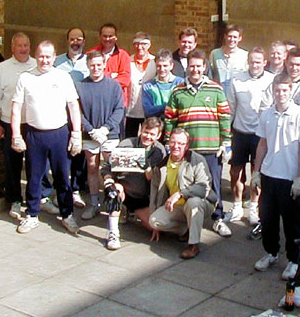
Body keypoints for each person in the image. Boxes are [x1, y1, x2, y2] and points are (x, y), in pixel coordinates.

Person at [10, 41, 82, 234]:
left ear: (54, 57)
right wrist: (16, 135)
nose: (44, 60)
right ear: (36, 55)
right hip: (34, 134)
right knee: (34, 176)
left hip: (59, 134)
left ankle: (67, 215)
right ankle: (32, 214)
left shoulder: (63, 77)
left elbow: (73, 106)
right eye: (41, 56)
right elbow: (16, 108)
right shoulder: (25, 78)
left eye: (48, 56)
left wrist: (77, 134)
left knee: (62, 176)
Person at [252, 73, 300, 280]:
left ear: (290, 91)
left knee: (292, 223)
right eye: (277, 90)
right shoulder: (267, 115)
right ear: (273, 91)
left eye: (285, 90)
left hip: (290, 178)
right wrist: (256, 172)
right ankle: (271, 253)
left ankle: (294, 260)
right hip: (269, 175)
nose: (281, 94)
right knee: (267, 219)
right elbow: (262, 144)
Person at [164, 49, 232, 237]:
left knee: (215, 185)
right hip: (188, 150)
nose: (195, 70)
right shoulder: (178, 91)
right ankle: (189, 221)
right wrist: (168, 142)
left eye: (198, 66)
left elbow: (224, 116)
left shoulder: (216, 89)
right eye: (192, 66)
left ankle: (218, 218)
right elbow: (170, 118)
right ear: (187, 67)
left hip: (211, 148)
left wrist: (226, 142)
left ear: (204, 67)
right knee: (187, 185)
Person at [0, 32, 36, 219]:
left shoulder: (36, 65)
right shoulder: (2, 68)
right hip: (9, 124)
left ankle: (38, 198)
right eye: (19, 46)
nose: (23, 49)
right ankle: (15, 200)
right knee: (12, 164)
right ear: (12, 47)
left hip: (33, 124)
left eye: (26, 45)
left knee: (35, 164)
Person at [149, 128, 217, 259]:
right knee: (154, 221)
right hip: (177, 207)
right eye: (173, 142)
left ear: (187, 146)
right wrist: (154, 219)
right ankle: (186, 229)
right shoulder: (162, 164)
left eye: (181, 143)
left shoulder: (197, 160)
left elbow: (204, 188)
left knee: (193, 202)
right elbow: (155, 193)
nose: (176, 146)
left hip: (202, 203)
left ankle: (193, 244)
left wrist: (181, 194)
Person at [225, 47, 274, 225]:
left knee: (256, 172)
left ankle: (254, 207)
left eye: (258, 62)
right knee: (235, 172)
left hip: (260, 135)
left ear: (264, 63)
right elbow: (230, 107)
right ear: (248, 62)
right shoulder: (237, 80)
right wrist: (226, 134)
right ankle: (237, 206)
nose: (254, 65)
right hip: (239, 132)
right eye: (252, 61)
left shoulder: (271, 80)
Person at [101, 117, 166, 250]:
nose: (148, 136)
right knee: (115, 191)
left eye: (152, 134)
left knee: (155, 226)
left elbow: (155, 181)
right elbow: (107, 166)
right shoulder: (126, 144)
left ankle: (132, 212)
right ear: (140, 130)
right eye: (145, 132)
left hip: (144, 196)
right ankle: (113, 233)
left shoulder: (159, 152)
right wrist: (108, 181)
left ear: (159, 136)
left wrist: (147, 167)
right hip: (125, 189)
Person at [76, 51, 125, 221]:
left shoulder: (114, 86)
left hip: (109, 135)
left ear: (104, 65)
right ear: (88, 65)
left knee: (113, 168)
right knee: (92, 166)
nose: (96, 68)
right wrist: (90, 130)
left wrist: (105, 129)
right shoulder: (80, 86)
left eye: (99, 65)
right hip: (90, 135)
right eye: (92, 65)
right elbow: (78, 112)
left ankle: (117, 203)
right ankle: (94, 203)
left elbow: (119, 110)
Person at [54, 27, 91, 208]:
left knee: (79, 154)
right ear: (67, 41)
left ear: (84, 41)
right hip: (61, 114)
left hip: (83, 114)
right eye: (72, 39)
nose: (75, 42)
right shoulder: (57, 62)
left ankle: (76, 189)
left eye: (79, 39)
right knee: (62, 153)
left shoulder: (90, 62)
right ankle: (61, 187)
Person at [87, 23, 131, 107]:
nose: (107, 39)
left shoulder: (123, 55)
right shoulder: (90, 53)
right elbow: (88, 75)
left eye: (110, 36)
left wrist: (102, 78)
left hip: (116, 102)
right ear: (99, 37)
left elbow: (125, 80)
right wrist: (112, 75)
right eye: (105, 36)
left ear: (116, 37)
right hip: (95, 100)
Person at [260, 48, 300, 112]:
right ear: (286, 63)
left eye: (298, 65)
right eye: (291, 64)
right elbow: (264, 108)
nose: (294, 68)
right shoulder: (275, 83)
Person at [126, 32, 156, 137]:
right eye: (136, 44)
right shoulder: (127, 61)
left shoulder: (155, 62)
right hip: (130, 111)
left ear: (149, 45)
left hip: (148, 111)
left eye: (143, 44)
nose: (140, 47)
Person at [142, 49, 184, 118]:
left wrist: (158, 109)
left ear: (171, 66)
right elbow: (148, 111)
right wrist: (168, 106)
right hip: (156, 125)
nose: (162, 69)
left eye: (165, 66)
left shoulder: (180, 83)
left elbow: (181, 107)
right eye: (158, 66)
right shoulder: (148, 86)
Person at [209, 24, 248, 91]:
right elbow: (210, 74)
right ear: (225, 36)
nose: (232, 39)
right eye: (230, 36)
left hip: (237, 93)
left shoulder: (245, 56)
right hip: (218, 92)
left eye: (235, 37)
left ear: (240, 38)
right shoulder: (215, 54)